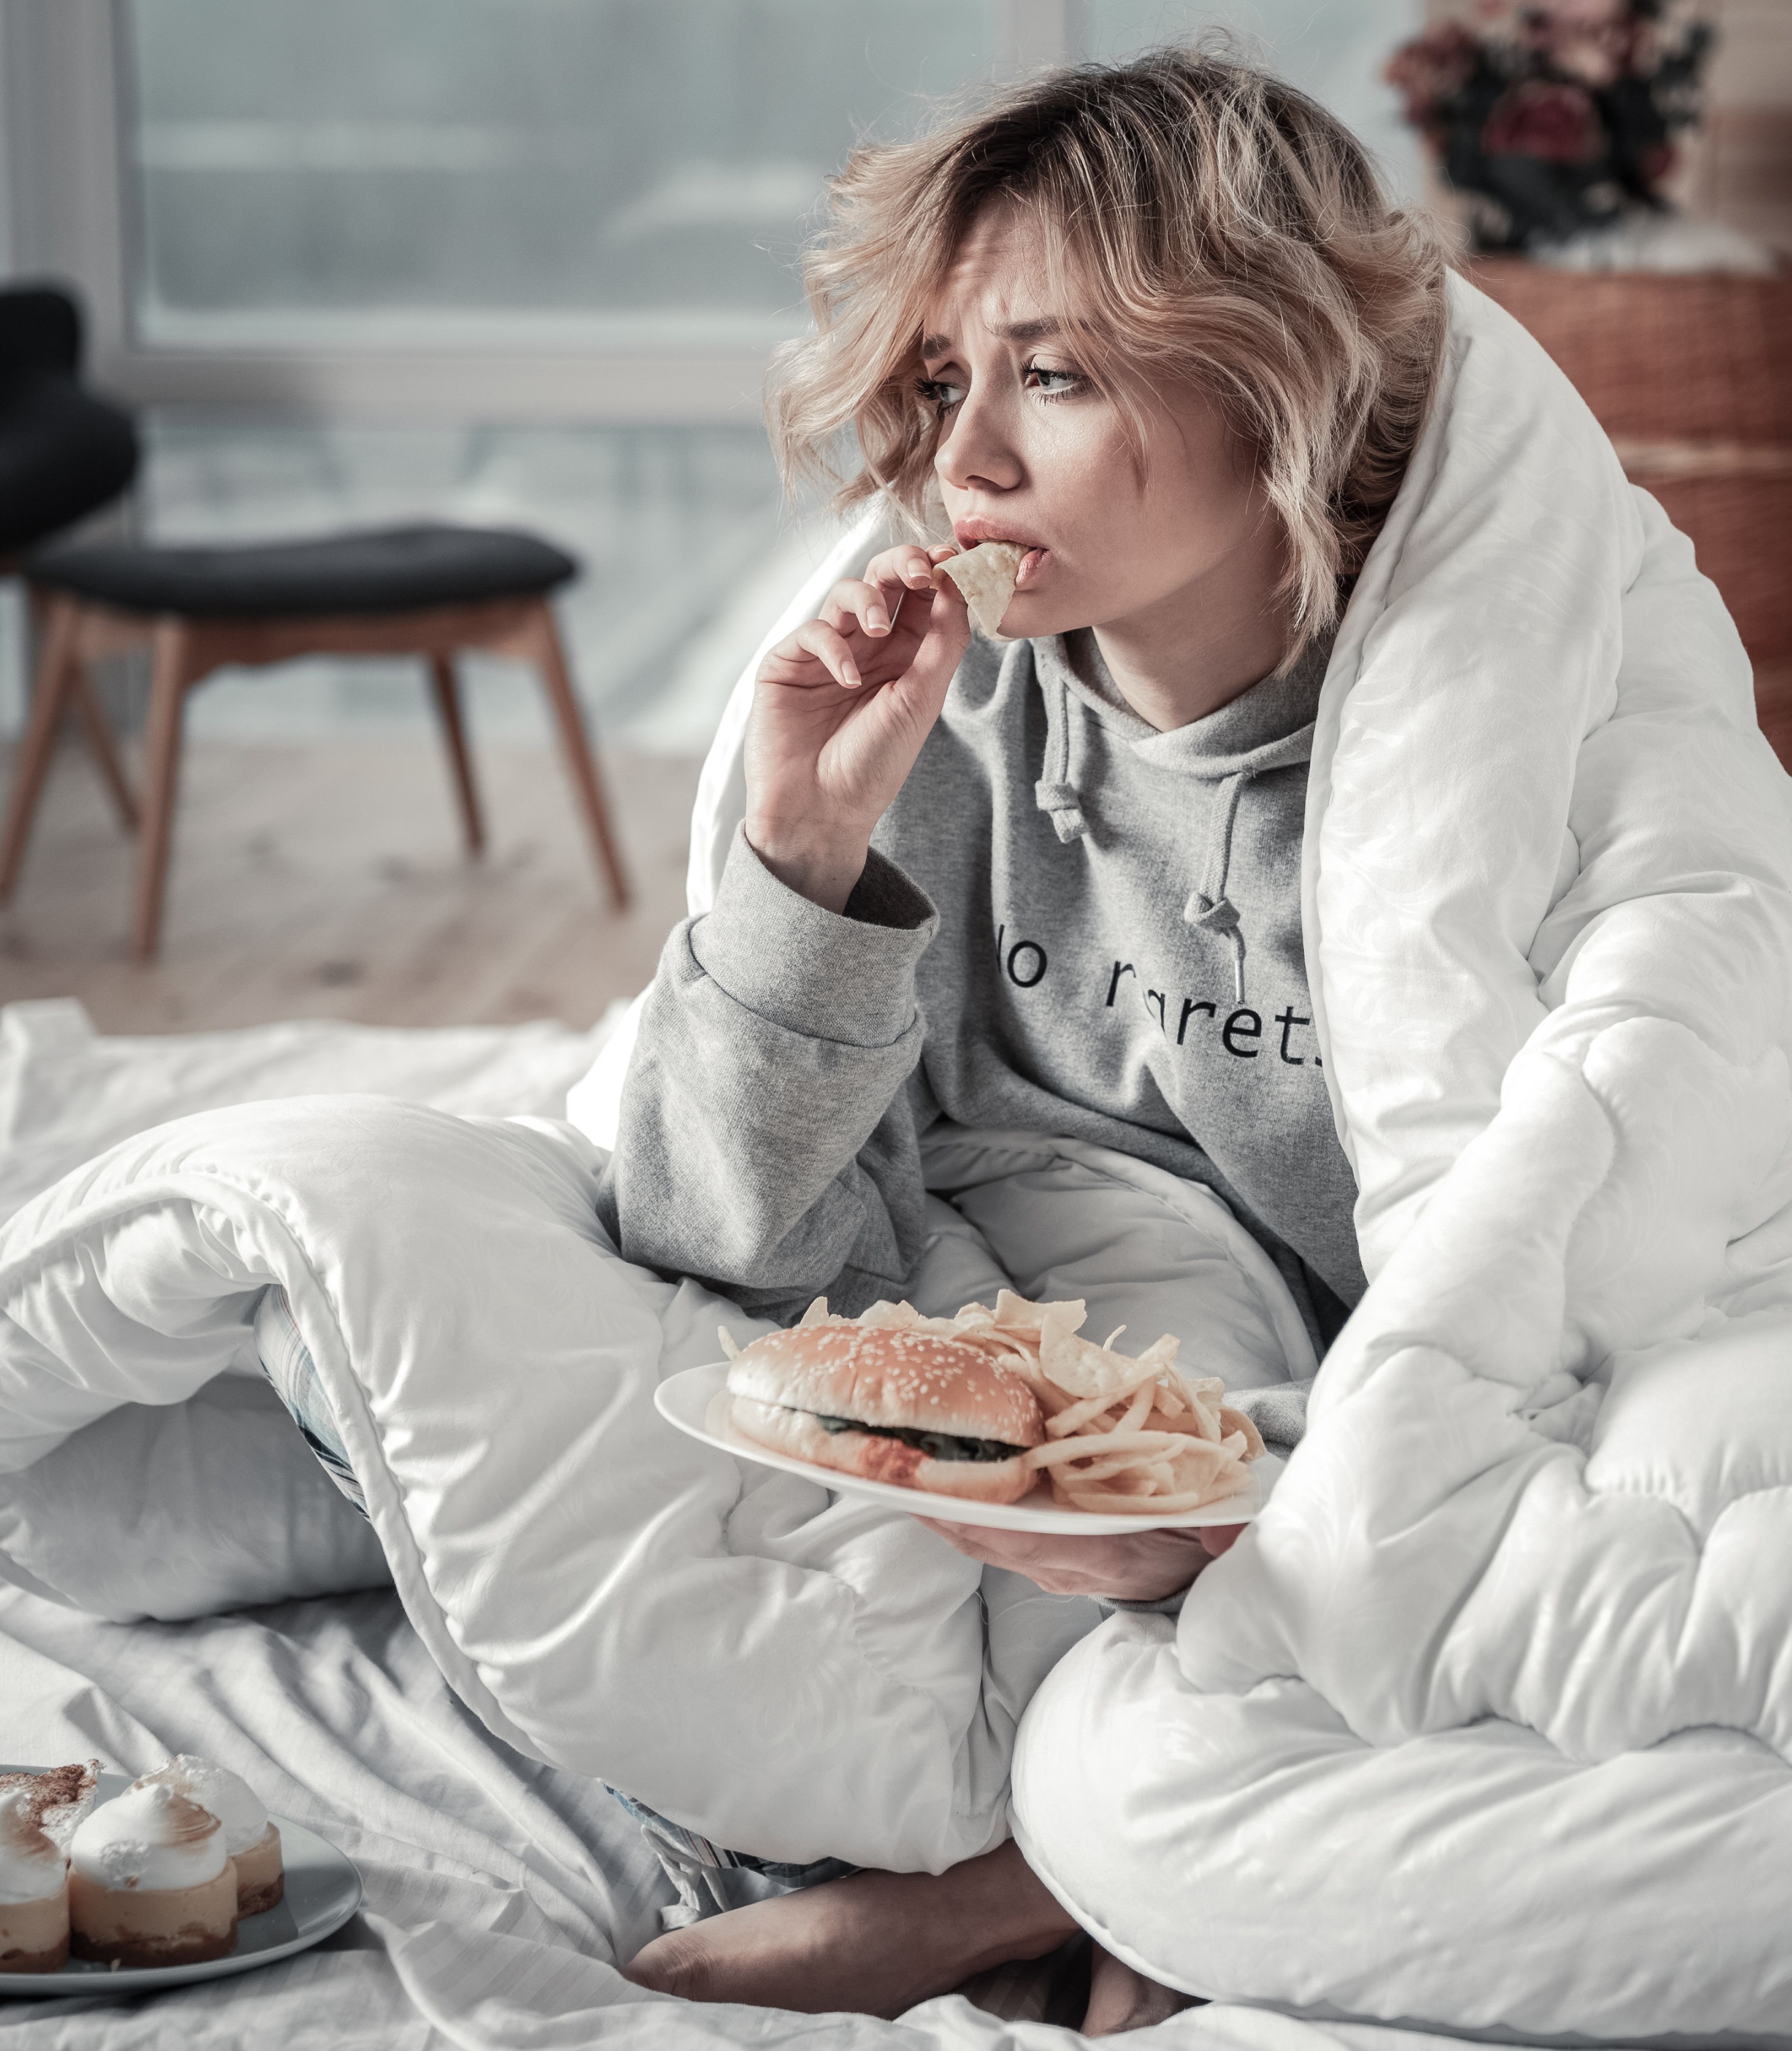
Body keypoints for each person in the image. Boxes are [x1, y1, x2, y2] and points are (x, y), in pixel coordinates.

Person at [604, 42, 1448, 2037]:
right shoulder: (950, 709)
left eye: (1052, 377)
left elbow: (1510, 1294)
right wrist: (803, 841)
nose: (964, 463)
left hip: (1278, 1377)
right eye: (940, 384)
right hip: (972, 1291)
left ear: (1274, 388)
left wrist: (1228, 1494)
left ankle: (1022, 1891)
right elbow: (712, 1217)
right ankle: (1111, 1880)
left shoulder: (1442, 775)